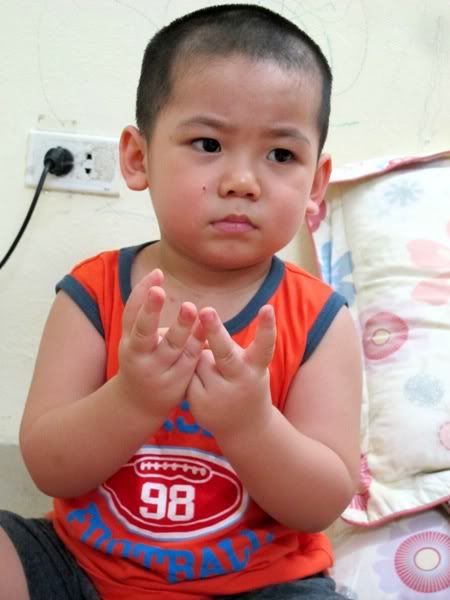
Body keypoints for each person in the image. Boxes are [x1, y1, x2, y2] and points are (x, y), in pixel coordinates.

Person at [0, 4, 362, 599]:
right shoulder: (91, 293)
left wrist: (251, 425)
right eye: (208, 143)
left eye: (280, 155)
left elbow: (320, 505)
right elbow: (49, 468)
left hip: (257, 586)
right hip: (83, 571)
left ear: (315, 183)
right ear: (138, 158)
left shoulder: (321, 321)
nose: (242, 181)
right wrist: (132, 398)